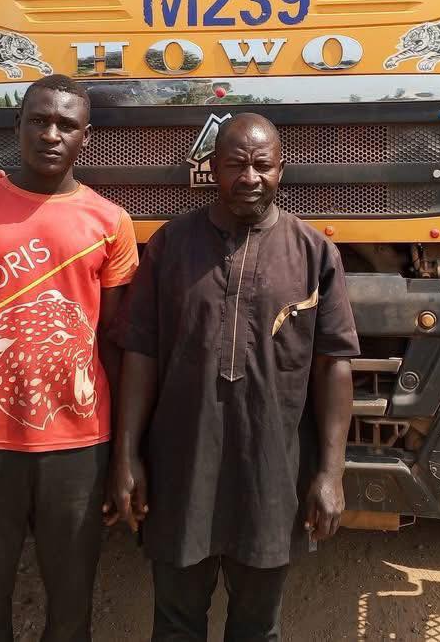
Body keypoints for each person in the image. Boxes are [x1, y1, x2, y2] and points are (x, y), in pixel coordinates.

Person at [110, 113, 358, 641]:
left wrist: (331, 472)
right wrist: (127, 456)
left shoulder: (313, 252)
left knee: (257, 627)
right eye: (235, 164)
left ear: (281, 170)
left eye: (262, 165)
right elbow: (140, 353)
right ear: (213, 169)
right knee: (175, 625)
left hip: (270, 476)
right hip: (181, 473)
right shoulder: (171, 246)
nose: (250, 177)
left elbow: (333, 365)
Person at [0, 74, 138, 640]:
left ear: (85, 137)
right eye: (39, 121)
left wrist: (122, 456)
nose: (51, 134)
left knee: (71, 608)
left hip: (80, 447)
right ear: (17, 126)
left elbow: (114, 344)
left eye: (66, 124)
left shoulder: (111, 222)